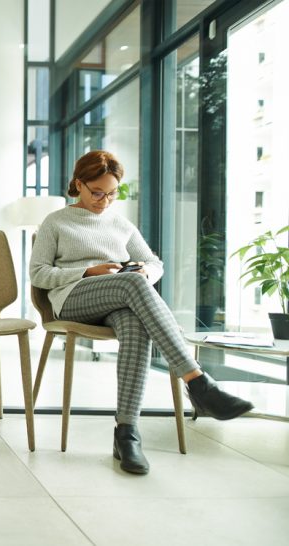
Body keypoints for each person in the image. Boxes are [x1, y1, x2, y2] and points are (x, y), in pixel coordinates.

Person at [29, 150, 253, 475]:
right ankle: (197, 382)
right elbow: (39, 274)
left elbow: (154, 264)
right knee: (132, 284)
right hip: (73, 298)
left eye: (112, 194)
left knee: (135, 322)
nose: (104, 201)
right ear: (79, 183)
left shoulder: (121, 224)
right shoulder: (56, 222)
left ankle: (127, 433)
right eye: (97, 192)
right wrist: (89, 272)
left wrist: (146, 273)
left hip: (120, 296)